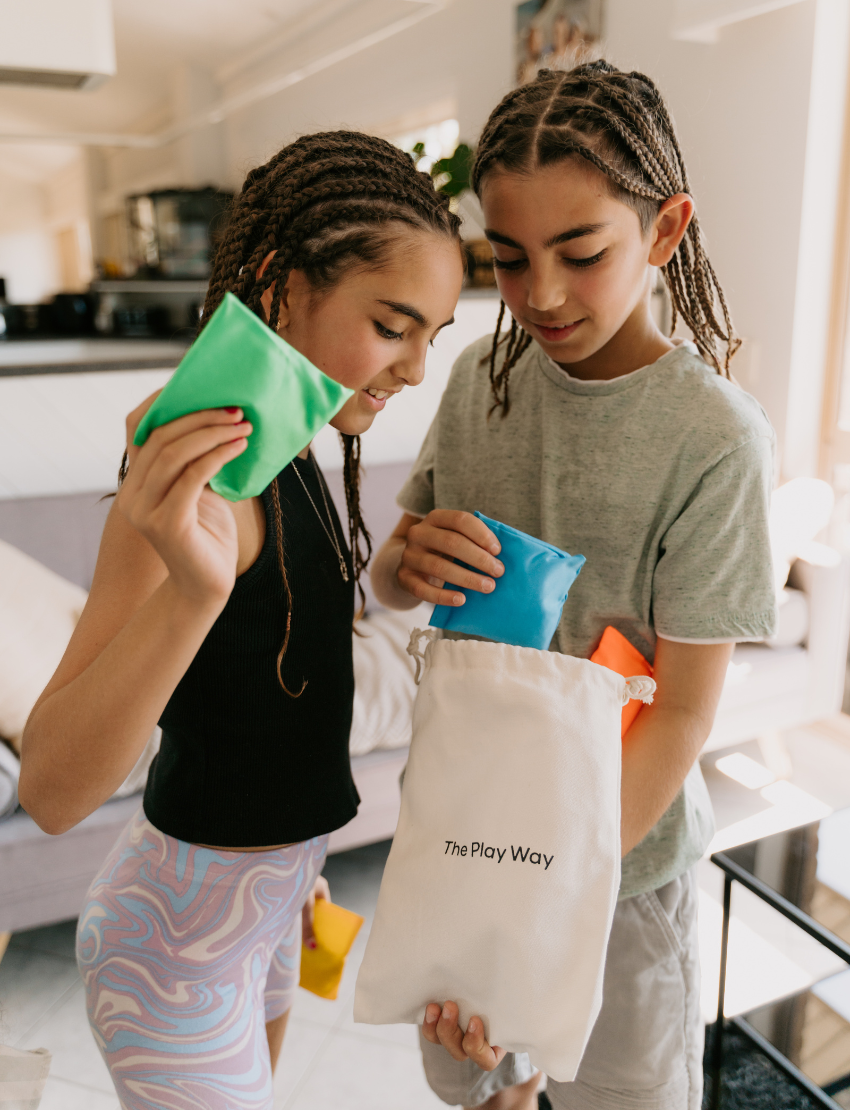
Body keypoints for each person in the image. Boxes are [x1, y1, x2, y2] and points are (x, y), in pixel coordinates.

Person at [18, 131, 464, 1110]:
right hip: (170, 958)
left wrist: (390, 570)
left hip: (268, 912)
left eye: (432, 332)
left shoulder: (291, 449)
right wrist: (193, 591)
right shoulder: (193, 479)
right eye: (393, 325)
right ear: (276, 281)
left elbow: (276, 669)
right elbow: (51, 788)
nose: (417, 368)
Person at [371, 62, 776, 1110]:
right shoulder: (479, 379)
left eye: (581, 253)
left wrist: (555, 903)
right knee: (473, 1088)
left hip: (619, 878)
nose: (539, 294)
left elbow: (681, 713)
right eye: (506, 260)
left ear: (665, 230)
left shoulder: (711, 440)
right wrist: (403, 562)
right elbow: (397, 573)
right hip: (464, 834)